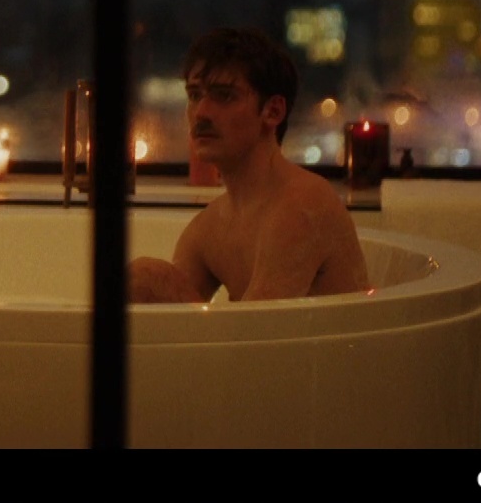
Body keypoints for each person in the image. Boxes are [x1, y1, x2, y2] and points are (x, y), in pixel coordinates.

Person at [128, 27, 369, 304]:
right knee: (144, 280)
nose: (201, 112)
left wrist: (154, 280)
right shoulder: (208, 228)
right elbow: (172, 318)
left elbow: (257, 328)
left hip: (340, 336)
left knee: (151, 277)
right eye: (194, 95)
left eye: (224, 96)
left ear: (273, 111)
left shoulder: (303, 206)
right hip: (274, 335)